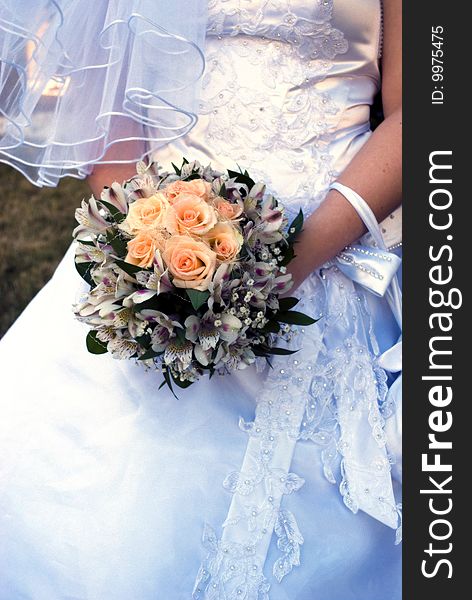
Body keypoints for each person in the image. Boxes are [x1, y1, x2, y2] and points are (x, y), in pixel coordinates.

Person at [0, 1, 402, 598]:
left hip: (329, 243)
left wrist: (285, 264)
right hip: (158, 247)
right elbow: (113, 105)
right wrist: (142, 244)